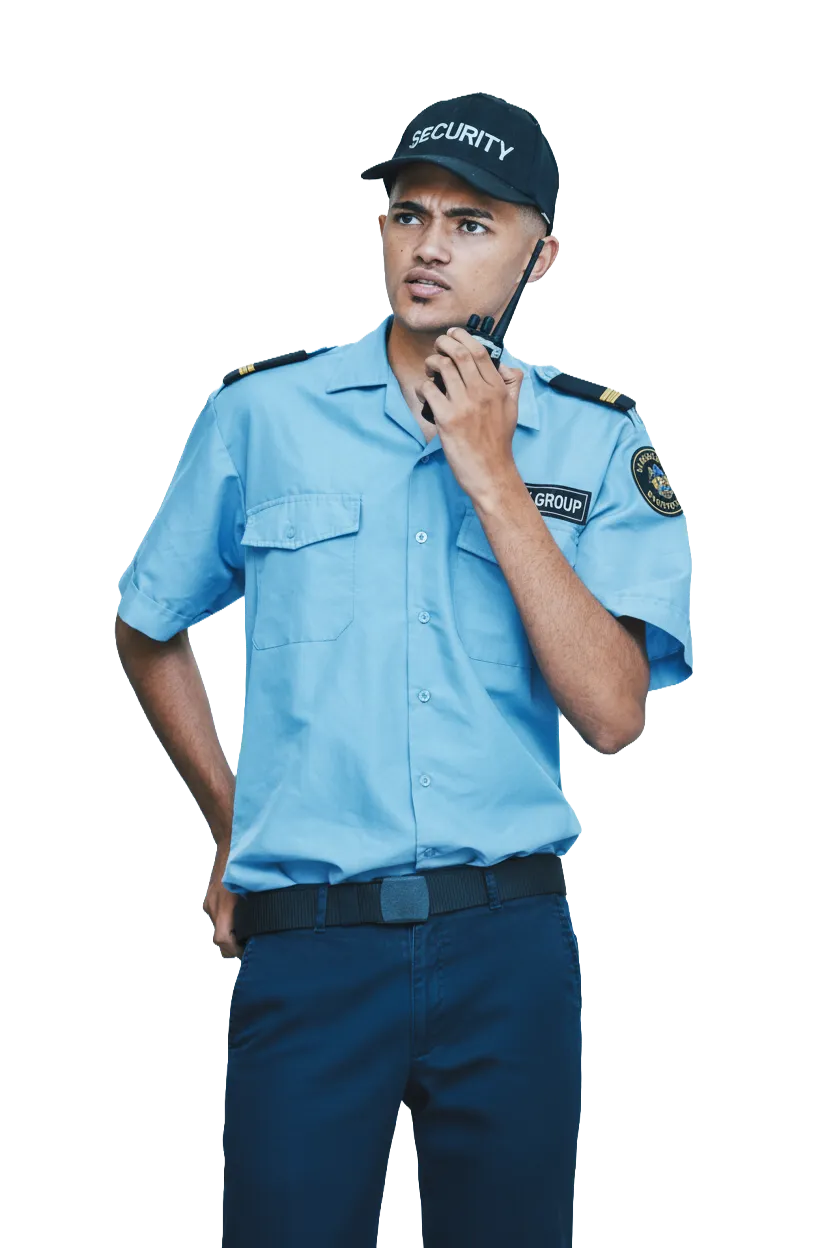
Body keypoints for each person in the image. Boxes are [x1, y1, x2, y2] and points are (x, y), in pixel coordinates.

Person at [114, 92, 693, 1248]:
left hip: (509, 951)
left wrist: (492, 475)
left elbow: (615, 715)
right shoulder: (261, 416)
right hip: (309, 946)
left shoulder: (596, 440)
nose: (428, 246)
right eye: (407, 212)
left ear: (546, 250)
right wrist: (226, 822)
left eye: (473, 223)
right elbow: (148, 624)